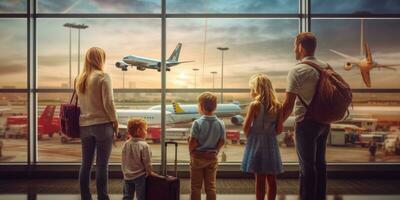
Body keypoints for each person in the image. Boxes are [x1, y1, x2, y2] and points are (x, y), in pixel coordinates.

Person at [281, 32, 331, 200]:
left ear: (300, 47)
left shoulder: (298, 70)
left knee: (307, 167)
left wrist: (278, 123)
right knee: (320, 164)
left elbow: (288, 105)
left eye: (295, 45)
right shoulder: (326, 66)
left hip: (306, 123)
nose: (294, 49)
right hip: (324, 122)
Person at [77, 47, 118, 200]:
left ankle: (85, 197)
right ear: (101, 59)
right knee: (102, 165)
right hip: (102, 124)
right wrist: (115, 122)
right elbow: (109, 103)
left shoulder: (80, 78)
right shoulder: (103, 76)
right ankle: (103, 197)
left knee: (86, 164)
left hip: (84, 126)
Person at [241, 73, 284, 200]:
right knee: (272, 178)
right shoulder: (278, 106)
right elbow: (279, 129)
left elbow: (246, 127)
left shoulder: (254, 105)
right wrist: (269, 134)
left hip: (257, 143)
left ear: (256, 89)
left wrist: (252, 136)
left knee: (259, 179)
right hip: (271, 143)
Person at [189, 92, 226, 200]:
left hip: (197, 157)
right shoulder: (220, 123)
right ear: (215, 107)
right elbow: (222, 141)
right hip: (212, 157)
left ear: (201, 106)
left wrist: (191, 152)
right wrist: (216, 150)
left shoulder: (197, 123)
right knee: (211, 187)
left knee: (196, 187)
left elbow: (193, 141)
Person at [121, 118, 157, 200]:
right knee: (141, 196)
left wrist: (125, 171)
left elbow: (124, 160)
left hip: (127, 175)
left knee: (127, 196)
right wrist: (150, 172)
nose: (146, 132)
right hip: (139, 176)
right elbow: (147, 162)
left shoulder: (126, 144)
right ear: (138, 131)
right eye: (145, 130)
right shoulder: (144, 145)